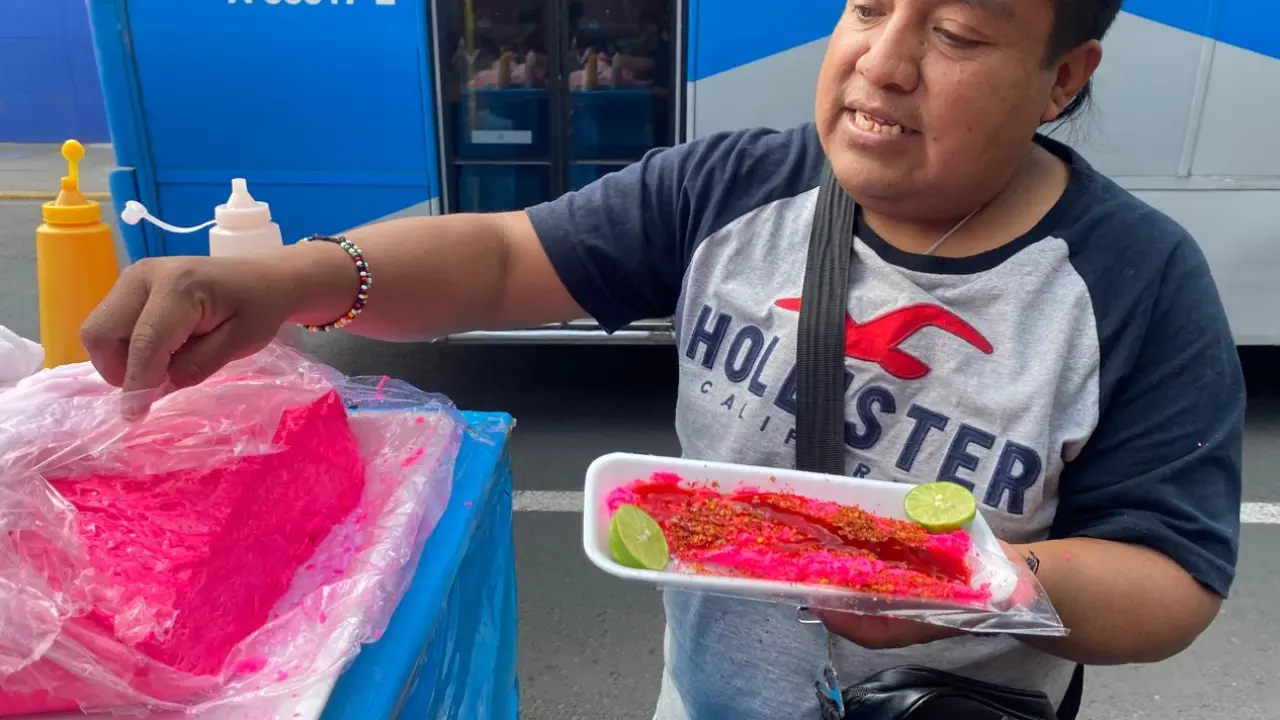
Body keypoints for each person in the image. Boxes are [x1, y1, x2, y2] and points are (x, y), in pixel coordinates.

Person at [80, 1, 1244, 718]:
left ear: (1063, 76)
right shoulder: (732, 187)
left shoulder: (1135, 283)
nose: (881, 63)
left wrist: (975, 583)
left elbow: (1170, 577)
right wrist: (282, 280)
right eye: (867, 6)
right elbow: (495, 258)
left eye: (953, 33)